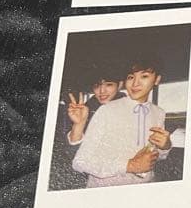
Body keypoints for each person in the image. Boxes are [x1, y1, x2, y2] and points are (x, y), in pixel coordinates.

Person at [70, 54, 174, 188]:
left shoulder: (159, 113)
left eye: (144, 76)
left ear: (157, 79)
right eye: (131, 77)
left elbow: (155, 157)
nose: (135, 83)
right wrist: (129, 165)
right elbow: (80, 162)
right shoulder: (107, 110)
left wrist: (165, 147)